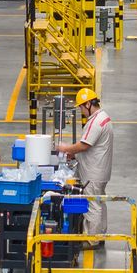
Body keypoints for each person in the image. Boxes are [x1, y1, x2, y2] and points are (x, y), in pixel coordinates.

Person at [56, 88, 114, 247]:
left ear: (88, 104)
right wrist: (74, 155)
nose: (81, 111)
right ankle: (100, 235)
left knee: (92, 205)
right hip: (101, 170)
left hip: (93, 173)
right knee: (100, 202)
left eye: (81, 107)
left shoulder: (95, 122)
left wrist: (66, 148)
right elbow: (94, 147)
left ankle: (92, 240)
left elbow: (84, 145)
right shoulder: (104, 117)